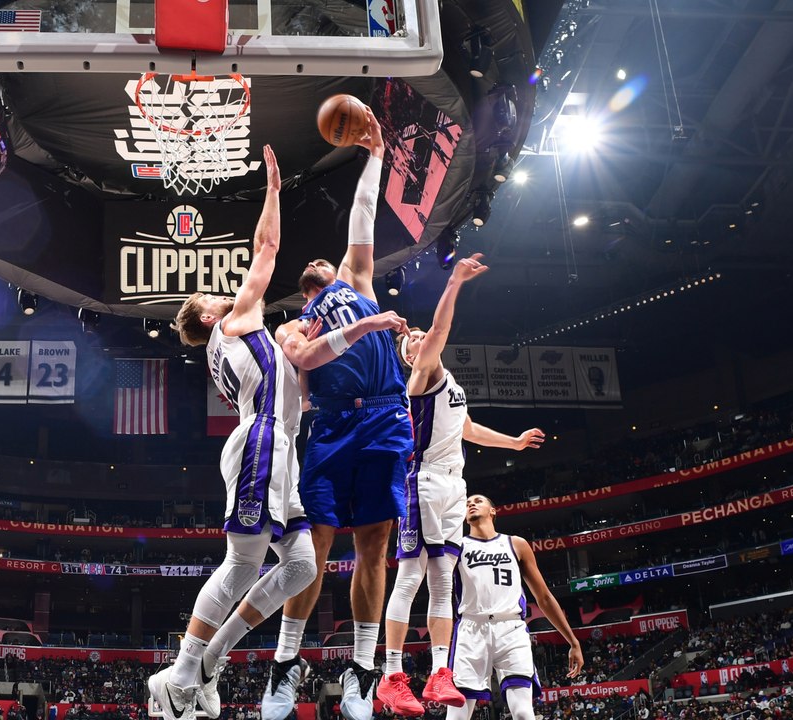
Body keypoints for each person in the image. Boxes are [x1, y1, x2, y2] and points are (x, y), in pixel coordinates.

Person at [165, 146, 406, 720]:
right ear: (205, 318)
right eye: (210, 297)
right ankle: (180, 674)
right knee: (243, 564)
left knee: (299, 565)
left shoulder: (252, 337)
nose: (225, 290)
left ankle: (212, 659)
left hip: (296, 441)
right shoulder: (238, 322)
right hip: (267, 440)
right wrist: (272, 188)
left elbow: (359, 229)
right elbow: (266, 250)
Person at [266, 108, 414, 720]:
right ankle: (285, 666)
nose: (325, 266)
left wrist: (374, 155)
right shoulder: (295, 323)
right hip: (329, 426)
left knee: (375, 546)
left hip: (383, 417)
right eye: (316, 273)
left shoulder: (357, 279)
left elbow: (363, 216)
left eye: (329, 264)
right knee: (313, 548)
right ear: (306, 288)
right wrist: (368, 324)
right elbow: (308, 353)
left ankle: (361, 671)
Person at [375, 254, 545, 714]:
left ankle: (437, 673)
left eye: (418, 338)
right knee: (411, 576)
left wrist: (512, 442)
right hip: (424, 481)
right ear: (410, 355)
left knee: (442, 578)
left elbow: (466, 427)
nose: (418, 340)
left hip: (453, 483)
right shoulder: (423, 371)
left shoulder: (446, 381)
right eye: (412, 341)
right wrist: (453, 282)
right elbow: (439, 331)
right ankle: (391, 674)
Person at [444, 495, 581, 720]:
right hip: (471, 629)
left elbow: (544, 597)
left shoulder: (516, 543)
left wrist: (573, 641)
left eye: (477, 500)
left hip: (511, 628)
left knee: (523, 713)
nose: (471, 504)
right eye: (467, 503)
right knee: (457, 716)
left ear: (493, 510)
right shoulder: (457, 546)